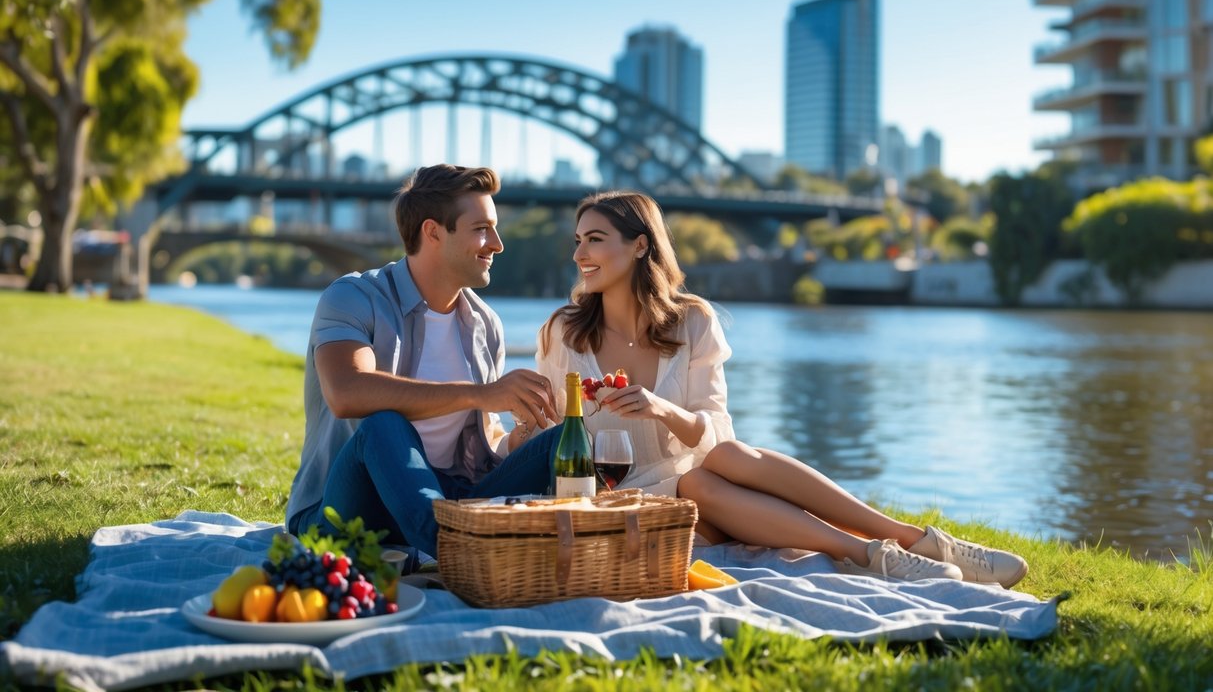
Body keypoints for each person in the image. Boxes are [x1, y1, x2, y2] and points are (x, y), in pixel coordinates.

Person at [536, 191, 1028, 587]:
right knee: (696, 483)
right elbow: (541, 436)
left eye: (594, 239)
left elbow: (716, 432)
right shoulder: (564, 332)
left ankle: (913, 540)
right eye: (578, 241)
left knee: (719, 462)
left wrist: (662, 410)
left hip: (706, 490)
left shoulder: (693, 322)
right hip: (622, 504)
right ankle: (873, 555)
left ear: (640, 245)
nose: (579, 254)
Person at [285, 164, 561, 560]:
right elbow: (346, 392)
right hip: (348, 510)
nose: (497, 243)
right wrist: (481, 394)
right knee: (383, 424)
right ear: (432, 232)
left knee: (566, 439)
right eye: (482, 228)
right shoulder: (352, 297)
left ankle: (593, 544)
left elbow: (485, 439)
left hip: (448, 499)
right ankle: (460, 554)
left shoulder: (486, 324)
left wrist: (520, 436)